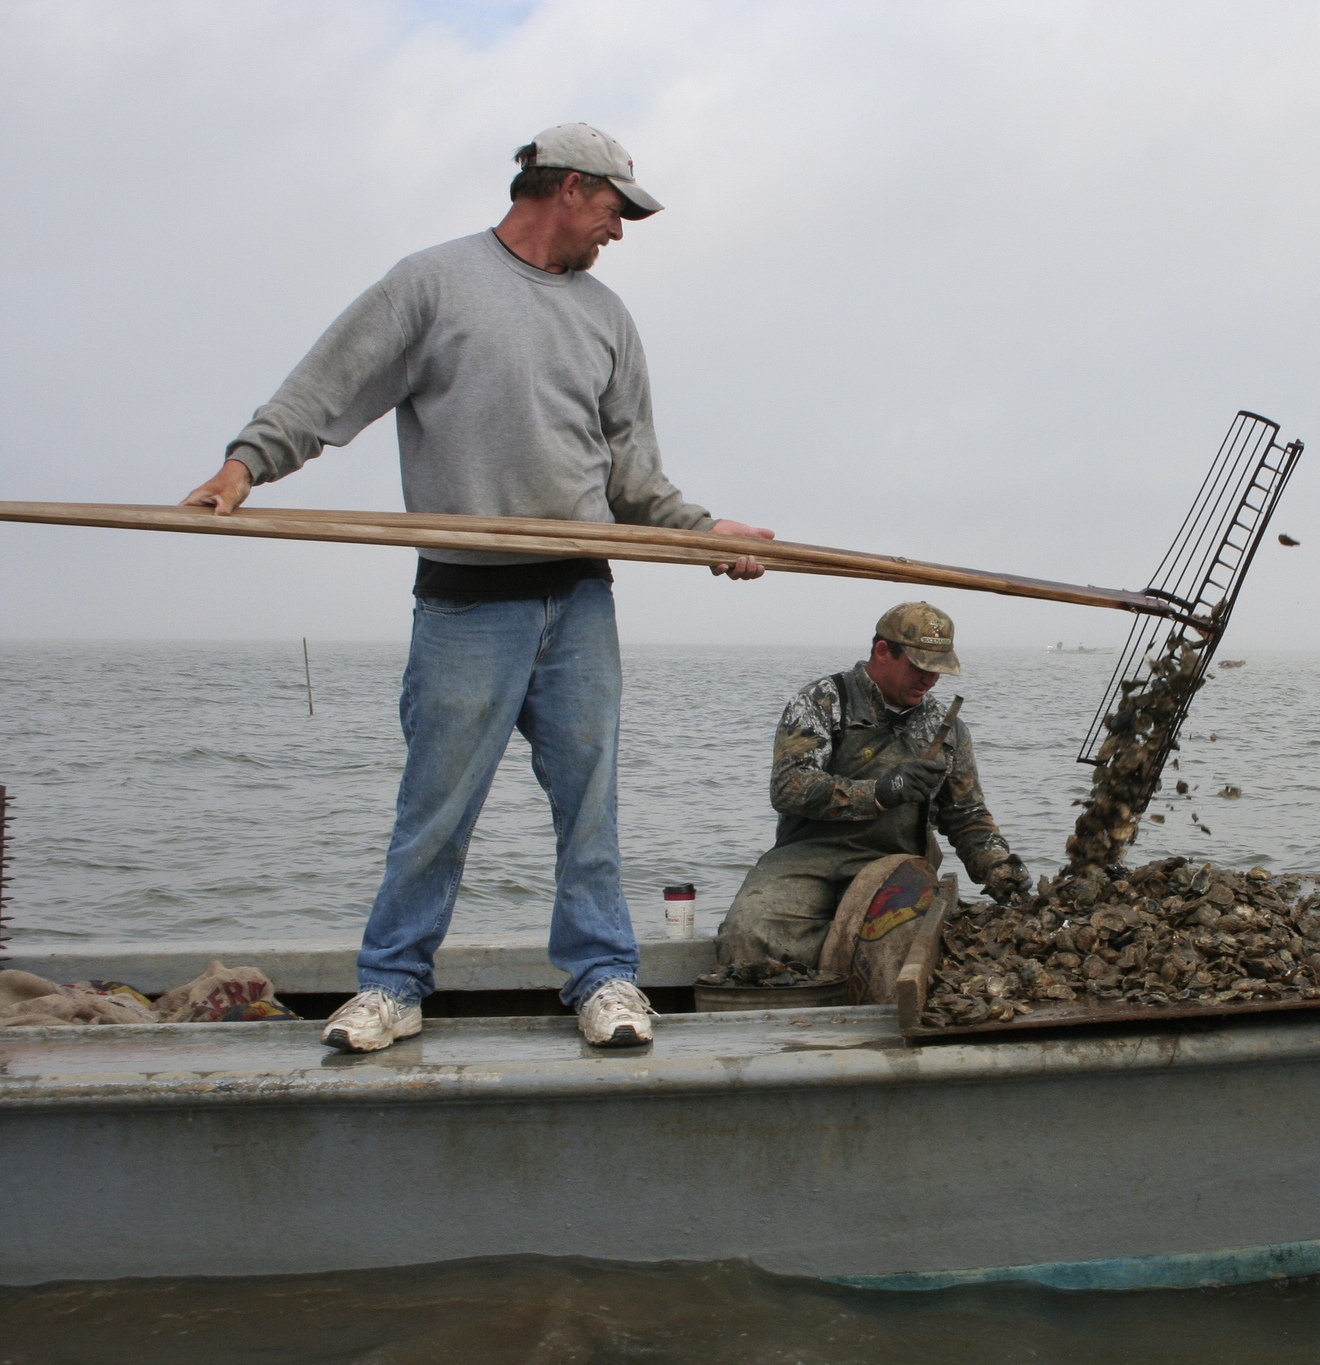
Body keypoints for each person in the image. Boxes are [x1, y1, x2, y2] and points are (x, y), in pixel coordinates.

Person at [180, 123, 774, 1053]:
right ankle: (392, 987)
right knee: (434, 814)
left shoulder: (609, 318)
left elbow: (634, 484)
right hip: (464, 603)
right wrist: (242, 467)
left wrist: (704, 537)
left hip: (577, 599)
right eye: (617, 208)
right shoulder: (433, 283)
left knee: (591, 810)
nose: (620, 231)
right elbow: (325, 386)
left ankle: (605, 977)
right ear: (571, 188)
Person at [717, 602, 1033, 968]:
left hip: (896, 866)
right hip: (806, 858)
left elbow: (967, 815)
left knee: (902, 953)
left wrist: (999, 869)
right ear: (883, 652)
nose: (931, 681)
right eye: (920, 668)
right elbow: (789, 787)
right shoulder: (822, 701)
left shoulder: (948, 730)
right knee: (747, 934)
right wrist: (880, 792)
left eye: (939, 671)